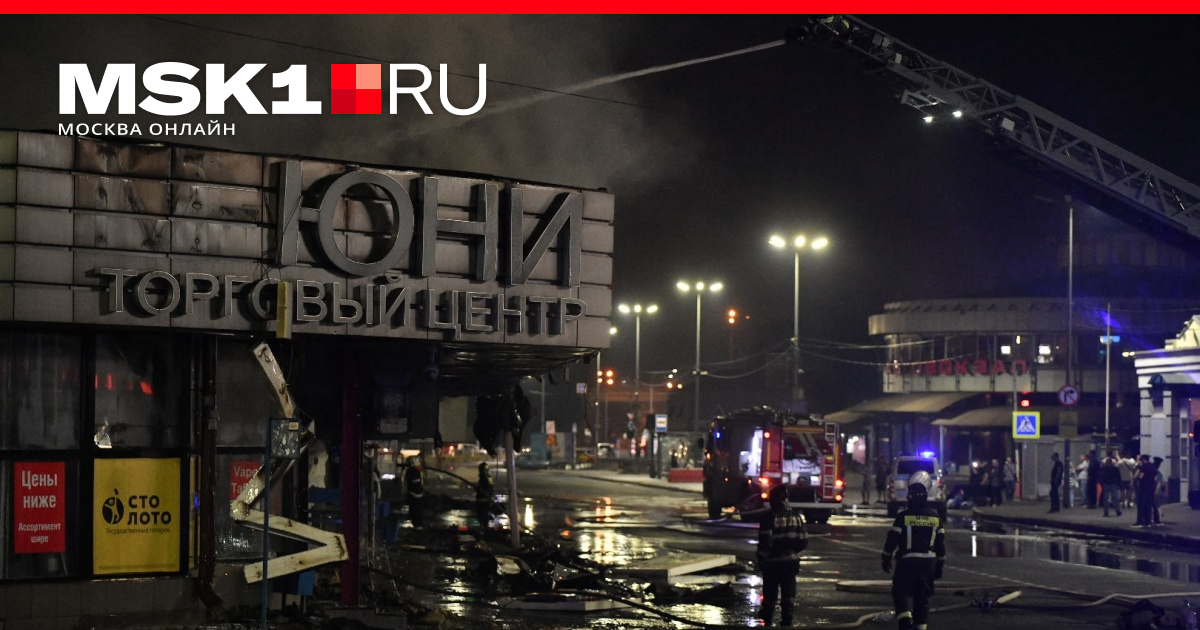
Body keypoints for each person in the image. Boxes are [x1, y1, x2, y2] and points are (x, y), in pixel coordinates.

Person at [881, 482, 946, 630]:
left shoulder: (903, 517)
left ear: (910, 498)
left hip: (907, 562)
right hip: (928, 564)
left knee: (901, 592)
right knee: (922, 598)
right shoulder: (936, 518)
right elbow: (940, 545)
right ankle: (920, 627)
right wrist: (940, 565)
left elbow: (892, 539)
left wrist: (886, 557)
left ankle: (905, 620)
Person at [757, 484, 808, 627]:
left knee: (770, 593)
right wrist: (791, 551)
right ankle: (787, 619)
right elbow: (803, 541)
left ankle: (767, 617)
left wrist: (762, 559)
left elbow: (765, 542)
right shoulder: (797, 516)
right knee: (788, 594)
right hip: (790, 563)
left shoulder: (769, 517)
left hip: (772, 563)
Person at [404, 455, 427, 527]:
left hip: (415, 495)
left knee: (415, 511)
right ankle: (418, 525)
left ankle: (417, 525)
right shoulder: (414, 472)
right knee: (417, 511)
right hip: (416, 495)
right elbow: (416, 486)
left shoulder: (412, 471)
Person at [1134, 454, 1156, 527]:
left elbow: (1140, 477)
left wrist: (1137, 476)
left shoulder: (1144, 467)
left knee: (1141, 505)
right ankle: (1148, 521)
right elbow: (1155, 478)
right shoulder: (1152, 466)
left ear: (1143, 460)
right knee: (1148, 505)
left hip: (1143, 488)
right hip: (1151, 488)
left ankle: (1140, 520)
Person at [1098, 451, 1122, 517]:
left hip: (1109, 483)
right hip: (1110, 483)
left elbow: (1101, 476)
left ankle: (1109, 511)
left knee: (1108, 498)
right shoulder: (1114, 469)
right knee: (1113, 498)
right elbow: (1118, 476)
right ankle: (1116, 511)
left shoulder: (1104, 469)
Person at [474, 462, 494, 533]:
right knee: (482, 517)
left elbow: (489, 489)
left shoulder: (486, 478)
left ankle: (484, 530)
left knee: (483, 517)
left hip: (483, 501)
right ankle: (484, 529)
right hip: (483, 501)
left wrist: (479, 489)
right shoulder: (486, 478)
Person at [1152, 456, 1166, 526]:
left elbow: (1159, 484)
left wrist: (1156, 491)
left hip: (1156, 491)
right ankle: (1158, 518)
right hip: (1158, 491)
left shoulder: (1157, 473)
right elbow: (1162, 484)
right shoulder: (1158, 473)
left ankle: (1159, 519)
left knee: (1157, 506)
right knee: (1157, 506)